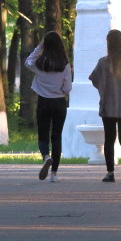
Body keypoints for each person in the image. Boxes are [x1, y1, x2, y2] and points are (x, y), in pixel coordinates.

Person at [88, 29, 121, 183]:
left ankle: (110, 173)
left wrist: (105, 89)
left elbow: (94, 79)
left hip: (108, 108)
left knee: (109, 140)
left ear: (109, 44)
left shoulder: (103, 63)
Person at [24, 31, 72, 182]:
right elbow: (67, 88)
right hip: (59, 103)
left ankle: (46, 157)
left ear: (45, 46)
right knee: (56, 137)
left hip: (43, 102)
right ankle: (54, 175)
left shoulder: (40, 64)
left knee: (43, 135)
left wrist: (40, 47)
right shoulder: (65, 65)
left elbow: (28, 61)